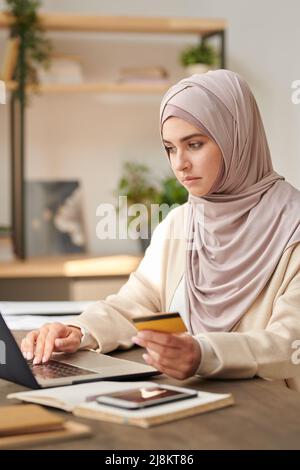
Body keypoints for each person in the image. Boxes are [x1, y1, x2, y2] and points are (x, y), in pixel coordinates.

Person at [21, 70, 300, 389]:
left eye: (194, 144)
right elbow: (134, 306)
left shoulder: (294, 227)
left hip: (270, 420)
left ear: (236, 137)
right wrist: (79, 331)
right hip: (189, 400)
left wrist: (202, 353)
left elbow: (288, 344)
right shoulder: (181, 223)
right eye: (170, 148)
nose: (180, 163)